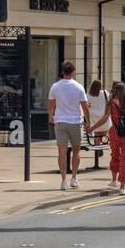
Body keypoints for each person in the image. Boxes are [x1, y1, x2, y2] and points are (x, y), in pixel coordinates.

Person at [48, 62, 90, 191]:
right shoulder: (78, 87)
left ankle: (63, 181)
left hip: (60, 121)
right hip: (75, 122)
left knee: (62, 152)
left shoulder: (55, 86)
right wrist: (89, 121)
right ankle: (74, 177)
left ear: (62, 71)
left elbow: (50, 104)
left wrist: (51, 116)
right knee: (76, 151)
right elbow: (85, 107)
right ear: (73, 72)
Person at [107, 82, 125, 194]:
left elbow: (105, 118)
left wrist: (92, 128)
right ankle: (122, 187)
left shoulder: (112, 104)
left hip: (115, 133)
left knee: (115, 155)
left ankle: (114, 180)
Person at [85, 79, 111, 157]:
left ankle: (98, 149)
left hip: (94, 118)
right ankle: (101, 146)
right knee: (103, 134)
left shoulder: (89, 95)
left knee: (96, 135)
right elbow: (109, 102)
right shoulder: (105, 93)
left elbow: (86, 105)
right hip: (104, 118)